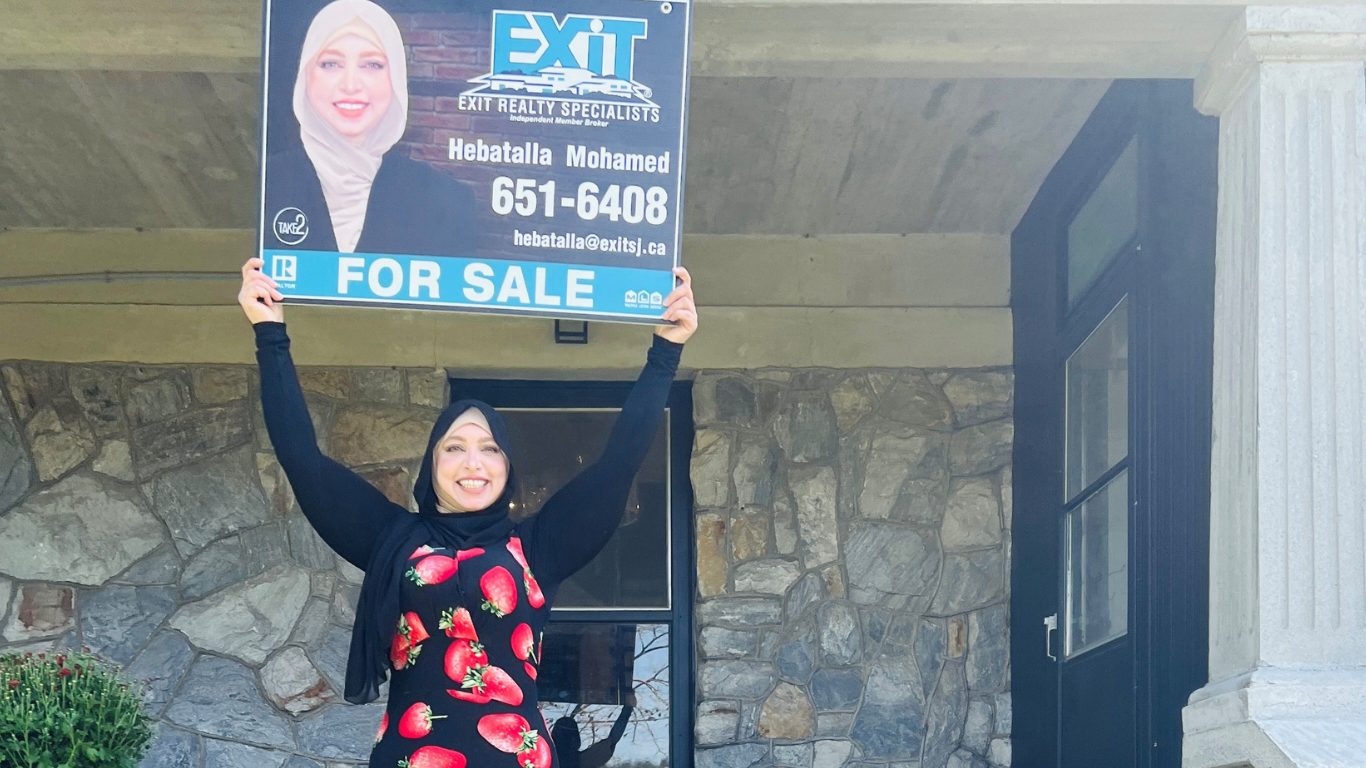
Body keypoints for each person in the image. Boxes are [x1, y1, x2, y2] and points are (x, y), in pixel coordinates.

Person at [237, 257, 697, 768]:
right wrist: (270, 335)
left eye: (490, 448)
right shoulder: (393, 539)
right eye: (454, 448)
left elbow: (619, 462)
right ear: (431, 465)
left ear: (508, 467)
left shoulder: (537, 548)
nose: (472, 463)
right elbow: (303, 460)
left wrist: (666, 351)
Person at [263, 0, 476, 256]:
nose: (351, 85)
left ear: (395, 78)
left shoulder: (447, 202)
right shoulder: (264, 184)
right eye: (331, 63)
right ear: (306, 75)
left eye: (372, 64)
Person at [552, 703, 634, 768]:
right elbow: (612, 740)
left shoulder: (541, 757)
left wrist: (627, 709)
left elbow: (611, 741)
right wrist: (627, 709)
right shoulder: (584, 761)